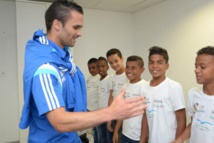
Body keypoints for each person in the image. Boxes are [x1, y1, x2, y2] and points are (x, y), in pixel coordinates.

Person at [18, 0, 147, 142]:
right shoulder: (45, 69)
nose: (80, 33)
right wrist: (111, 112)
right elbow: (59, 121)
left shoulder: (63, 61)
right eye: (76, 27)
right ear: (57, 25)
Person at [140, 46, 186, 143]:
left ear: (167, 65)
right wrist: (142, 139)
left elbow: (181, 120)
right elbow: (145, 116)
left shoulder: (174, 87)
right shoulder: (144, 87)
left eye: (159, 62)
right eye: (151, 62)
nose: (155, 66)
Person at [171, 46, 214, 143]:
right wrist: (179, 140)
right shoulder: (193, 93)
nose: (197, 70)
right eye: (196, 66)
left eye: (202, 67)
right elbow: (194, 122)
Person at [113, 55, 147, 143]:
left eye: (133, 68)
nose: (129, 71)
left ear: (142, 70)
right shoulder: (125, 86)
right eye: (127, 67)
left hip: (137, 137)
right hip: (125, 134)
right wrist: (116, 131)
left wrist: (142, 140)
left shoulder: (145, 87)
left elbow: (146, 116)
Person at [106, 48, 129, 143]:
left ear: (122, 59)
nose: (114, 65)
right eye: (111, 63)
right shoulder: (111, 77)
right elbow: (111, 97)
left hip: (125, 117)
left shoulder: (128, 76)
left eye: (116, 61)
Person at [85, 58, 100, 143]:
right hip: (89, 109)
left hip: (96, 110)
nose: (91, 70)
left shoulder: (99, 79)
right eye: (89, 68)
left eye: (93, 68)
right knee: (92, 132)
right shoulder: (89, 78)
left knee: (98, 132)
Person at [96, 56, 111, 143]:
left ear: (107, 67)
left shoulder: (109, 80)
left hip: (107, 115)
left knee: (108, 138)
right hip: (100, 114)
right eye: (98, 66)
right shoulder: (98, 80)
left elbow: (111, 97)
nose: (100, 68)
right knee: (101, 137)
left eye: (103, 66)